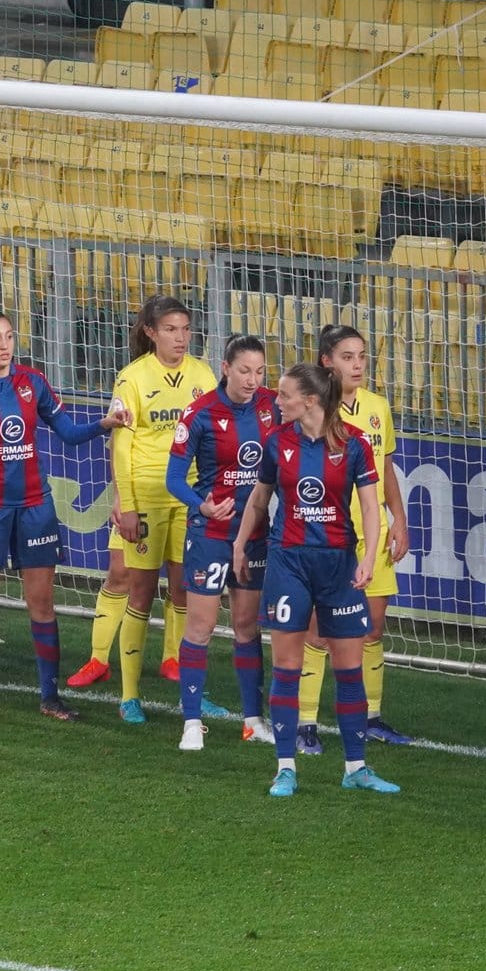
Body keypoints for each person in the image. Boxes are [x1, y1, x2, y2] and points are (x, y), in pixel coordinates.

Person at [0, 309, 128, 721]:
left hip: (35, 506)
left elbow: (68, 433)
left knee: (42, 603)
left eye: (9, 336)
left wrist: (104, 423)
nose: (5, 345)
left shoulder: (32, 382)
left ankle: (50, 696)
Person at [233, 363, 400, 798]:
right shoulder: (276, 442)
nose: (277, 401)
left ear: (310, 400)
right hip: (288, 563)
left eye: (285, 395)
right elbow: (258, 499)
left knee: (349, 670)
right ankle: (285, 767)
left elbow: (369, 508)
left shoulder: (355, 444)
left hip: (338, 566)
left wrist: (366, 558)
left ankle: (356, 767)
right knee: (287, 667)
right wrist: (238, 543)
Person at [89, 295, 221, 724]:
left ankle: (187, 688)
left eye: (185, 329)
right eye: (170, 329)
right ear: (150, 332)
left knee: (186, 590)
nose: (180, 337)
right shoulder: (131, 379)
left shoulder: (202, 375)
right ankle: (129, 695)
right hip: (145, 495)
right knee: (141, 593)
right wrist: (125, 503)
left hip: (190, 499)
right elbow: (121, 444)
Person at [296, 324, 413, 754]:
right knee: (321, 632)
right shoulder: (313, 410)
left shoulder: (378, 406)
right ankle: (305, 721)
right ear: (326, 361)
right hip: (328, 537)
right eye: (348, 356)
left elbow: (386, 472)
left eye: (362, 355)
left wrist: (398, 518)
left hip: (373, 534)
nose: (358, 364)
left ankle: (371, 717)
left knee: (371, 628)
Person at [164, 335, 281, 751]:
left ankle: (253, 720)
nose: (253, 379)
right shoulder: (200, 414)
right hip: (211, 533)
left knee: (248, 626)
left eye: (260, 371)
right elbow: (174, 478)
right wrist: (203, 506)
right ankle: (192, 723)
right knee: (202, 625)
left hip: (255, 535)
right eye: (245, 370)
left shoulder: (273, 405)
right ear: (226, 368)